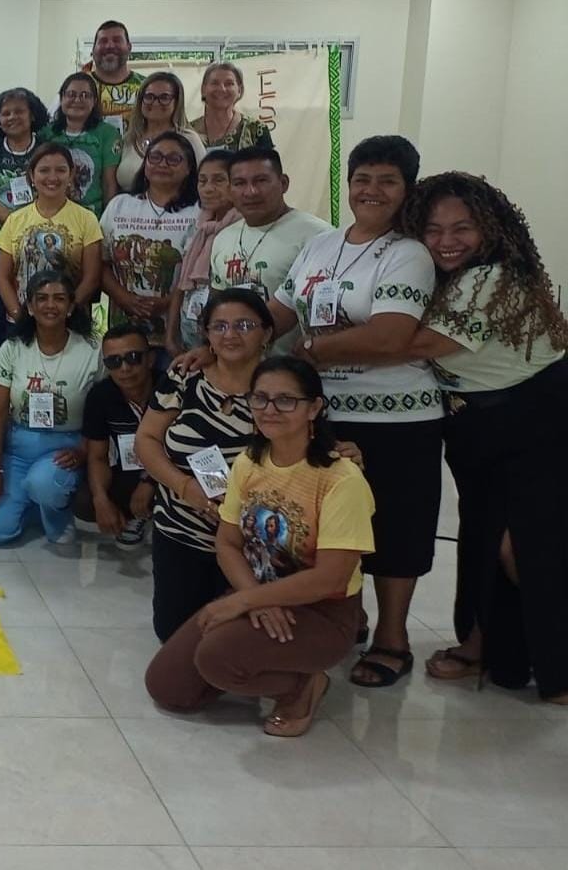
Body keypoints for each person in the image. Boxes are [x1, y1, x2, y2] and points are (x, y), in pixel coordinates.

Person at [270, 136, 442, 690]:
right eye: (362, 178)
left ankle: (394, 637)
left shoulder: (409, 251)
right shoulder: (322, 245)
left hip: (397, 420)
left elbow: (391, 336)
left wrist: (313, 350)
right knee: (337, 529)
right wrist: (233, 340)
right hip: (327, 414)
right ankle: (353, 619)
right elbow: (280, 310)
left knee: (395, 527)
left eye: (387, 180)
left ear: (407, 189)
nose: (372, 190)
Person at [399, 172, 568, 704]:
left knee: (526, 546)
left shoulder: (493, 277)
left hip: (536, 419)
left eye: (462, 228)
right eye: (433, 229)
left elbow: (420, 344)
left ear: (490, 230)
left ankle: (558, 664)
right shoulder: (445, 279)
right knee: (482, 539)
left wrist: (324, 346)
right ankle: (488, 649)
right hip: (477, 425)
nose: (447, 240)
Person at [145, 357, 374, 737]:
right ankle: (270, 662)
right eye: (260, 399)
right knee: (167, 687)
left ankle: (305, 684)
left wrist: (244, 602)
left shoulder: (340, 478)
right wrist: (255, 597)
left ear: (314, 407)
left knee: (216, 658)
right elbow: (228, 542)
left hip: (322, 611)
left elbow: (330, 577)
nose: (270, 410)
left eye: (286, 400)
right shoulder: (250, 462)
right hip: (259, 593)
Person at [135, 288, 270, 641]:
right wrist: (185, 488)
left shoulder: (278, 387)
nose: (231, 335)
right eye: (219, 326)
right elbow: (146, 441)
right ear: (206, 334)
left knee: (237, 639)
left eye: (244, 325)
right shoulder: (184, 377)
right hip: (182, 527)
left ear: (266, 332)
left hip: (252, 538)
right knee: (173, 634)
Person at [0, 270, 99, 546]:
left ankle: (56, 512)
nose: (49, 305)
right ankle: (31, 506)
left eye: (59, 298)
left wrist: (85, 451)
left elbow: (104, 412)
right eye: (41, 298)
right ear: (29, 306)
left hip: (67, 448)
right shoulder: (12, 348)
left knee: (44, 483)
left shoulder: (91, 350)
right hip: (18, 447)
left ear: (71, 306)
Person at [101, 132, 202, 346]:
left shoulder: (199, 212)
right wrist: (124, 298)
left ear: (189, 168)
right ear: (145, 165)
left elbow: (201, 275)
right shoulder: (119, 205)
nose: (162, 164)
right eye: (155, 157)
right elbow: (100, 263)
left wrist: (167, 302)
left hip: (177, 335)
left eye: (173, 159)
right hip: (124, 332)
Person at [0, 87, 49, 347]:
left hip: (42, 241)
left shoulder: (47, 150)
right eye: (5, 113)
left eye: (19, 111)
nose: (12, 117)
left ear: (33, 116)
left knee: (42, 301)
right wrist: (18, 222)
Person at [0, 143, 104, 323]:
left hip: (71, 321)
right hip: (24, 321)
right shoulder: (15, 219)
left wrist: (66, 311)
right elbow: (2, 277)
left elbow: (91, 278)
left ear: (71, 174)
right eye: (44, 170)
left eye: (60, 170)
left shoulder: (87, 219)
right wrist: (19, 315)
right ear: (32, 175)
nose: (52, 177)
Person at [73, 324, 158, 548]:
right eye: (114, 361)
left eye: (133, 358)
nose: (124, 368)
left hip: (171, 471)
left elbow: (185, 451)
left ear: (150, 359)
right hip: (128, 468)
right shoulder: (100, 396)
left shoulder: (170, 389)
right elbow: (97, 456)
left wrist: (150, 481)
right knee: (85, 499)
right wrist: (100, 500)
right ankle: (134, 516)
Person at [208, 148, 330, 300]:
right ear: (229, 190)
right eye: (239, 183)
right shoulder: (223, 238)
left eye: (261, 181)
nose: (251, 192)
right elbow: (217, 301)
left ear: (283, 183)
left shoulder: (318, 236)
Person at [166, 151, 239, 352]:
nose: (208, 189)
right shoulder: (197, 229)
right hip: (189, 338)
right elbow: (180, 285)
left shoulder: (242, 230)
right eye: (202, 181)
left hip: (226, 343)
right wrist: (171, 337)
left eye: (218, 180)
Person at [38, 73, 121, 217]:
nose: (77, 100)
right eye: (71, 94)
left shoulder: (108, 133)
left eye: (85, 95)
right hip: (50, 215)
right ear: (61, 98)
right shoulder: (46, 133)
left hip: (92, 217)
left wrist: (108, 219)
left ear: (94, 101)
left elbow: (109, 184)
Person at [116, 72, 208, 192]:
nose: (155, 102)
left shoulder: (189, 140)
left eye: (164, 97)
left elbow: (205, 181)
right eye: (149, 96)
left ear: (177, 102)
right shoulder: (128, 139)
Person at [190, 63, 275, 152]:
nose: (222, 89)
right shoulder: (188, 132)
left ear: (239, 90)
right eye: (214, 83)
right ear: (203, 90)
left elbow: (269, 165)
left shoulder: (256, 130)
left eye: (229, 83)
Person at [87, 20, 144, 132]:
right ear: (93, 50)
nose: (110, 46)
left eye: (117, 40)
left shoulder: (147, 86)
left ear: (129, 47)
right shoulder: (75, 88)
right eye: (103, 41)